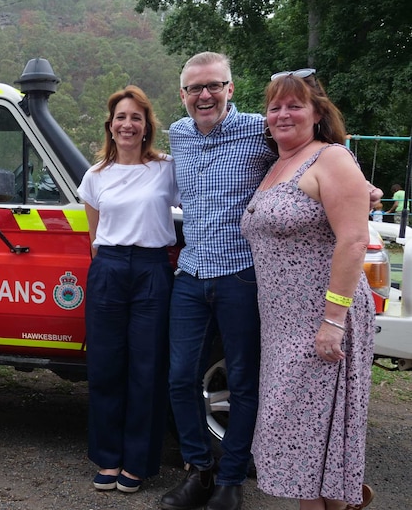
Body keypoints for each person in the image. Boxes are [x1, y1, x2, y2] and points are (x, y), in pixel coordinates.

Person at [241, 70, 375, 510]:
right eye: (275, 106)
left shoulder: (331, 158)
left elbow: (353, 240)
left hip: (322, 324)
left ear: (317, 113)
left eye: (294, 105)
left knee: (306, 444)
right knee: (304, 446)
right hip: (283, 328)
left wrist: (333, 321)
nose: (283, 114)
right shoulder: (277, 164)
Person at [162, 52, 276, 510]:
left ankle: (231, 481)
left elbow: (318, 150)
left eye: (213, 85)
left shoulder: (260, 128)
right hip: (190, 275)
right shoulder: (178, 133)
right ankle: (200, 473)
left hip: (241, 276)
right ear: (183, 94)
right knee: (179, 378)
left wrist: (359, 184)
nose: (204, 95)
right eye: (194, 88)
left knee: (245, 381)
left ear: (231, 88)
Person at [77, 86, 178, 494]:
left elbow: (207, 197)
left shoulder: (167, 169)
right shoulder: (95, 175)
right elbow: (94, 236)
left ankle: (137, 462)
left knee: (147, 369)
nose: (128, 124)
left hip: (153, 270)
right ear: (111, 125)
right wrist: (108, 267)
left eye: (136, 117)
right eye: (121, 117)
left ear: (147, 125)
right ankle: (108, 457)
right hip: (110, 269)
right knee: (105, 367)